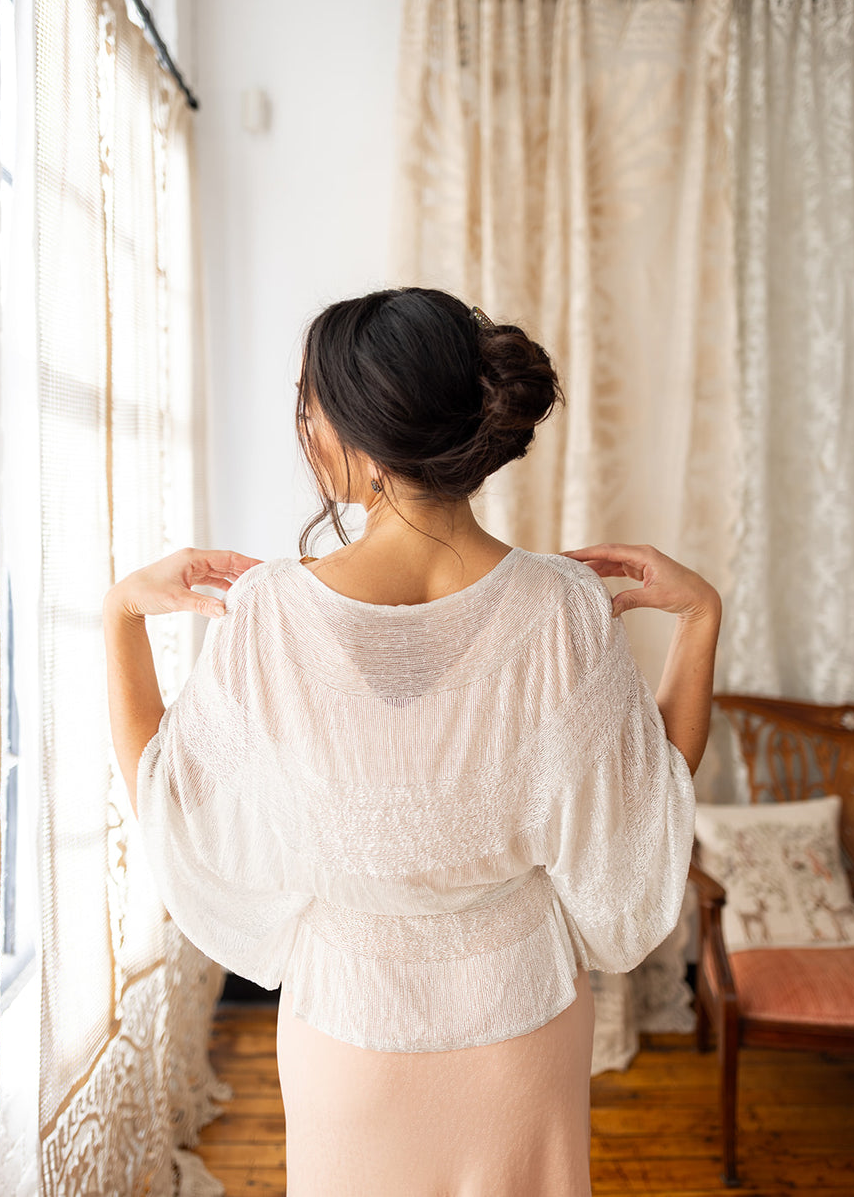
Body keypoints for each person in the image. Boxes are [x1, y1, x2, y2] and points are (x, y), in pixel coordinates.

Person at [103, 286, 720, 1196]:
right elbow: (646, 799)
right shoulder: (562, 604)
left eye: (309, 404)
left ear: (361, 431)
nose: (304, 426)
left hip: (347, 1034)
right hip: (522, 1025)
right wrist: (700, 617)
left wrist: (121, 614)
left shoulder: (270, 613)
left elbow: (170, 799)